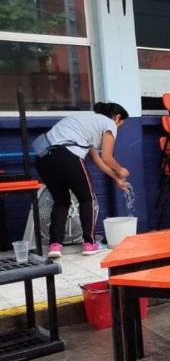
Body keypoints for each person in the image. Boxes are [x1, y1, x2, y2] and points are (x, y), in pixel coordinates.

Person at [34, 102, 130, 258]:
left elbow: (99, 162)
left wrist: (116, 178)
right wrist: (121, 170)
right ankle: (89, 243)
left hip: (44, 159)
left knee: (61, 201)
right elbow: (107, 157)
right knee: (87, 199)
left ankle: (54, 245)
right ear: (117, 117)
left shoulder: (86, 123)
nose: (118, 129)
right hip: (68, 155)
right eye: (120, 126)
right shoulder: (109, 124)